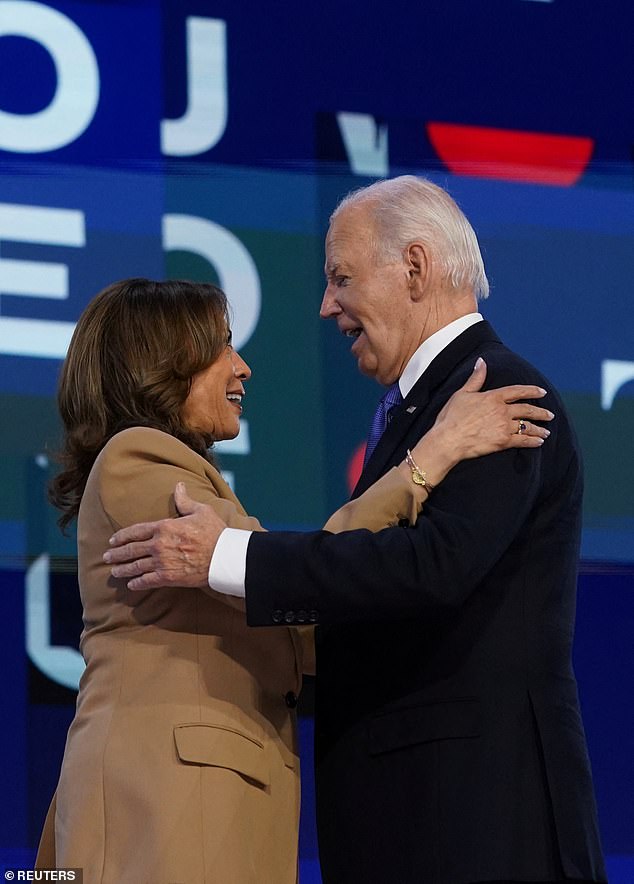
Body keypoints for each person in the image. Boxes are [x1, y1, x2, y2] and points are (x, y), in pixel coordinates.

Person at [105, 176, 606, 884]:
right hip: (419, 816)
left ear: (416, 268)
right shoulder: (426, 410)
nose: (325, 305)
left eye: (341, 277)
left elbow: (434, 566)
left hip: (479, 819)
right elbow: (361, 559)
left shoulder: (495, 395)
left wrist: (227, 557)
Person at [36, 277, 550, 884]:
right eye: (223, 347)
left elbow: (289, 591)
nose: (243, 367)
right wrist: (432, 457)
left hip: (204, 804)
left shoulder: (191, 478)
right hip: (166, 803)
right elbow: (293, 586)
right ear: (164, 364)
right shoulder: (139, 458)